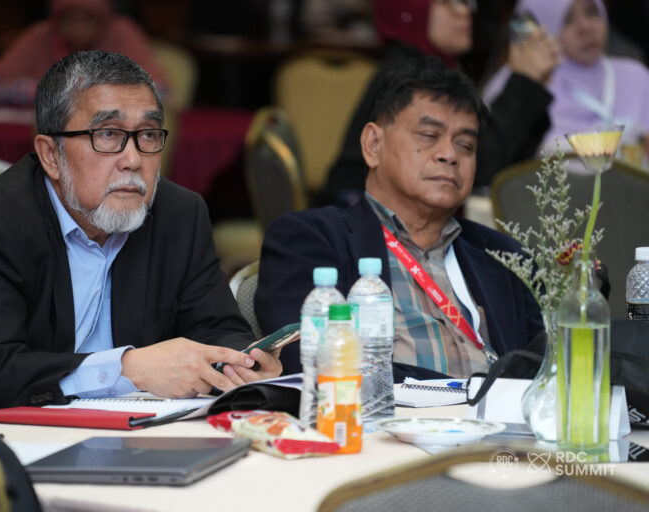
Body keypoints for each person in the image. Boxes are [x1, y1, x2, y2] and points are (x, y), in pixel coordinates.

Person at [0, 50, 282, 417]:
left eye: (148, 134)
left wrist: (241, 362)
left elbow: (217, 329)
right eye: (107, 134)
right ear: (51, 155)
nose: (133, 159)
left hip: (138, 438)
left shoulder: (179, 215)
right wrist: (127, 369)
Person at [255, 58, 544, 379]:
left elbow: (546, 366)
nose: (450, 155)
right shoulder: (310, 240)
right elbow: (312, 363)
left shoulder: (503, 256)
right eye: (429, 135)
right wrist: (459, 392)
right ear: (373, 144)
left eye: (466, 144)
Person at [319, 0, 560, 206]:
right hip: (364, 223)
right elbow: (478, 168)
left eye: (465, 1)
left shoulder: (436, 70)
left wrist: (531, 83)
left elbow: (499, 164)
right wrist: (524, 82)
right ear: (410, 9)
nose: (464, 11)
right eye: (447, 1)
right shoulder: (407, 76)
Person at [484, 0, 649, 164]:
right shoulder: (519, 86)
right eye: (567, 20)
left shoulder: (635, 78)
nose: (586, 27)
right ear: (539, 28)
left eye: (591, 12)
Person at [0, 0, 166, 106]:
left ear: (102, 18)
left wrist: (98, 92)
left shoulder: (122, 33)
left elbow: (160, 90)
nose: (77, 28)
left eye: (86, 20)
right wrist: (46, 91)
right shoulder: (41, 35)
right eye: (69, 19)